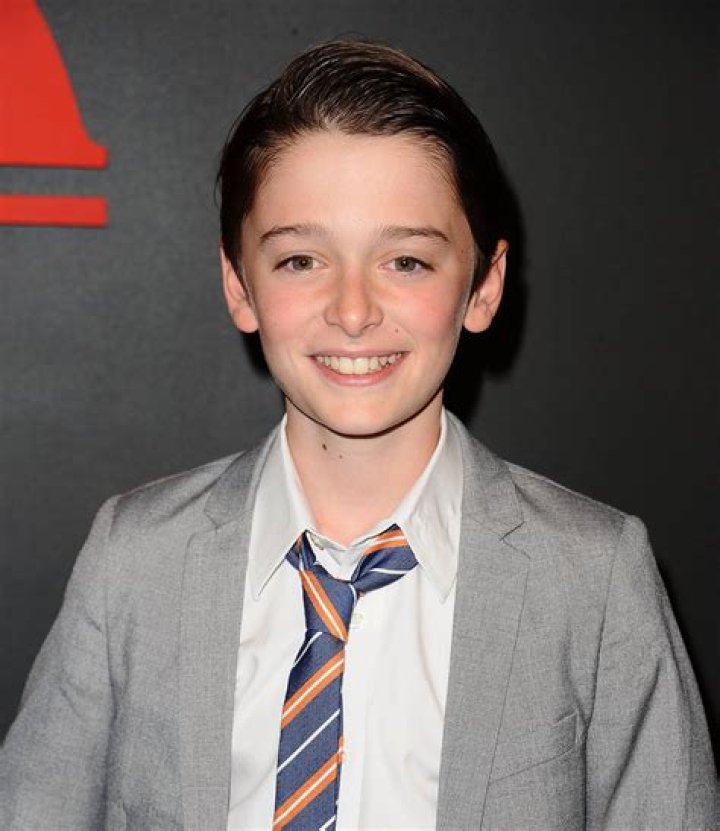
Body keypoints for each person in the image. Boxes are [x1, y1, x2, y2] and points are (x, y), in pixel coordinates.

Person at [0, 39, 716, 831]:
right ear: (239, 285)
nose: (351, 310)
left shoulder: (594, 578)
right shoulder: (134, 560)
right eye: (301, 260)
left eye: (405, 261)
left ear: (484, 285)